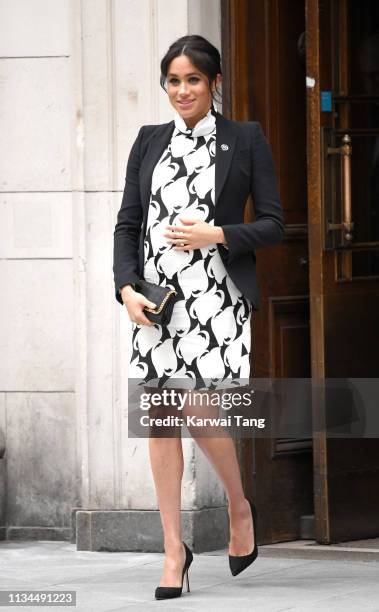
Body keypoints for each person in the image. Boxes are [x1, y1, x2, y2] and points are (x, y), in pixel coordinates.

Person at [113, 34, 284, 600]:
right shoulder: (148, 141)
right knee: (161, 420)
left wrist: (219, 234)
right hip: (155, 301)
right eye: (173, 80)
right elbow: (127, 223)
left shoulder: (245, 139)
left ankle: (239, 507)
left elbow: (274, 224)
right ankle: (173, 550)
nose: (182, 90)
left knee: (200, 409)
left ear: (214, 83)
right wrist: (124, 289)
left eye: (193, 79)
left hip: (216, 297)